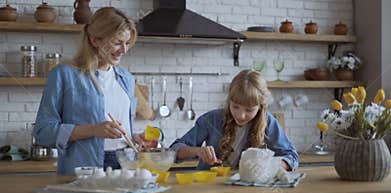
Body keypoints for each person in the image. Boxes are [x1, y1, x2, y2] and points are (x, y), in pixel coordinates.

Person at [33, 7, 151, 174]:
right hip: (84, 170)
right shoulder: (64, 75)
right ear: (94, 40)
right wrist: (93, 130)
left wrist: (133, 137)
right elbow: (43, 132)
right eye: (117, 43)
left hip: (125, 166)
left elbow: (118, 131)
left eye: (127, 43)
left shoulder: (126, 79)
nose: (124, 50)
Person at [170, 69, 299, 171]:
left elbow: (291, 157)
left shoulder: (268, 122)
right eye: (235, 106)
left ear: (260, 107)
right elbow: (174, 150)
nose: (241, 115)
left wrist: (270, 165)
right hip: (209, 188)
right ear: (229, 100)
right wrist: (198, 151)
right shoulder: (211, 119)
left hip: (249, 190)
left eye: (249, 110)